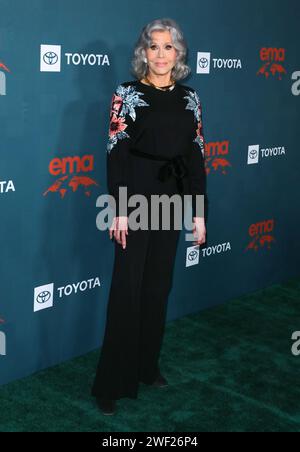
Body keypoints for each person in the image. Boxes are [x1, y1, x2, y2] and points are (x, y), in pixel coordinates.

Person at [91, 17, 207, 415]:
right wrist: (119, 209)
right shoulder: (126, 93)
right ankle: (111, 382)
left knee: (157, 288)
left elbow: (195, 158)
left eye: (168, 47)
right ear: (144, 52)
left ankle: (146, 367)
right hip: (135, 198)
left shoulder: (190, 98)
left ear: (179, 54)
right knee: (127, 288)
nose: (160, 54)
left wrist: (198, 212)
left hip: (171, 198)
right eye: (153, 47)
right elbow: (115, 152)